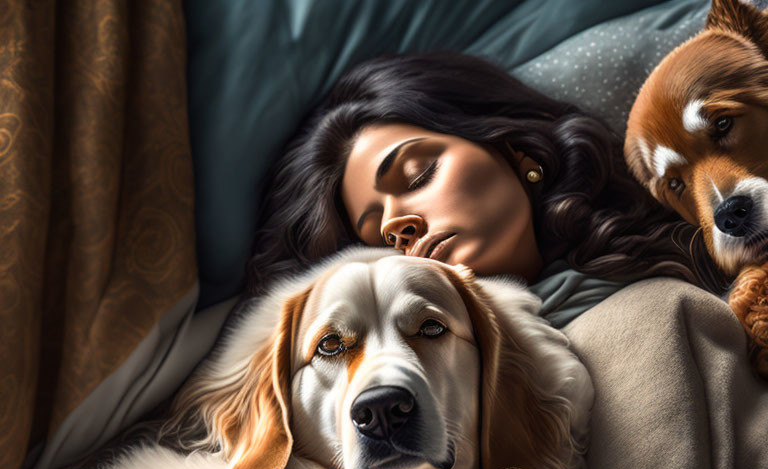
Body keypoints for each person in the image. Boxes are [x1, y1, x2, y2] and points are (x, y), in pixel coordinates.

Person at [246, 49, 725, 298]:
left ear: (517, 152)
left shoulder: (710, 240)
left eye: (417, 176)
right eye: (374, 234)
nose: (395, 226)